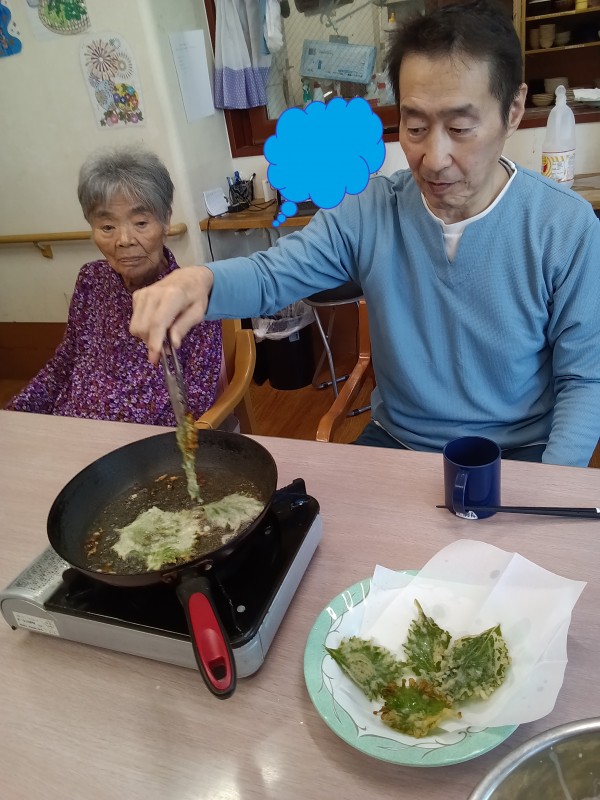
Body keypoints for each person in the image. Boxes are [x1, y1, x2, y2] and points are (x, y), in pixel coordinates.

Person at [129, 0, 600, 467]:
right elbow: (271, 275)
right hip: (400, 442)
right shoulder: (369, 210)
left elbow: (585, 379)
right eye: (415, 127)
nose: (434, 159)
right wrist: (200, 282)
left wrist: (551, 486)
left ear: (513, 110)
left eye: (460, 128)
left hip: (518, 451)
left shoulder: (564, 225)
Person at [6, 148, 222, 425]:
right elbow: (65, 362)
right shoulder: (91, 279)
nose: (124, 240)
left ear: (166, 220)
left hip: (140, 443)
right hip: (68, 427)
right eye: (107, 227)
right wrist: (13, 415)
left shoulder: (194, 297)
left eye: (140, 223)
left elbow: (196, 400)